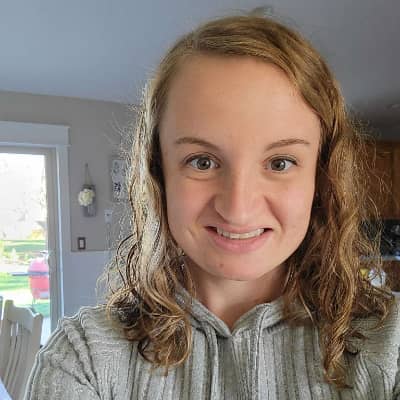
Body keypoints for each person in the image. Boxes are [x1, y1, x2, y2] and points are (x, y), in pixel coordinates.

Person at [25, 12, 400, 400]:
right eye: (202, 162)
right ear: (159, 173)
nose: (238, 209)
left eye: (280, 163)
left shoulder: (391, 345)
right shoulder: (83, 360)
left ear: (320, 179)